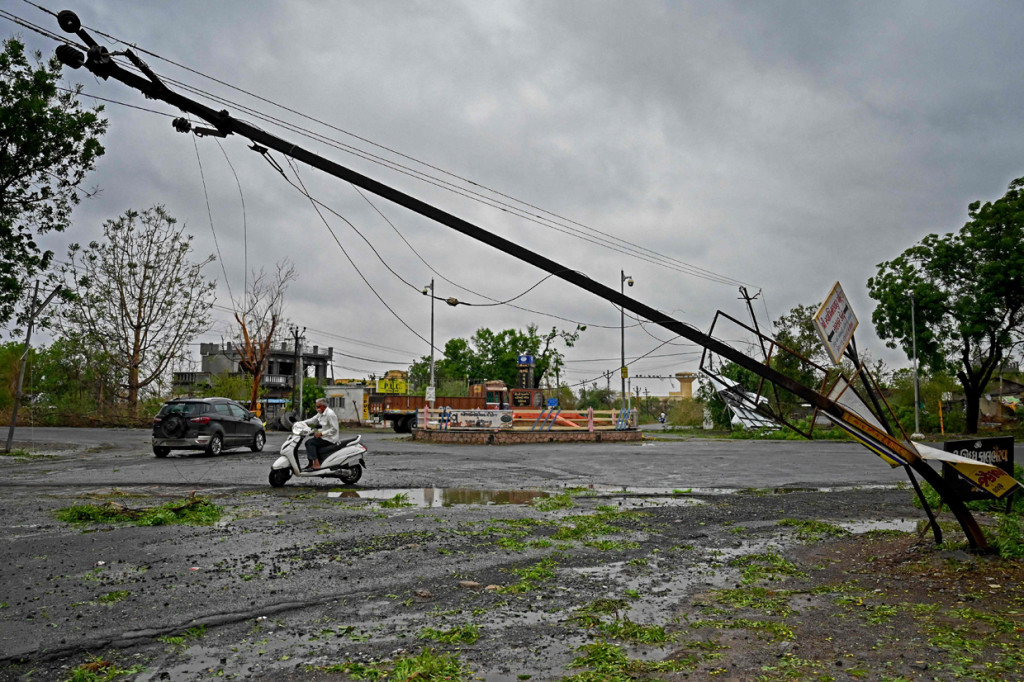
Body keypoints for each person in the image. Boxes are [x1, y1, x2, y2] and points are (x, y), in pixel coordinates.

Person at [301, 397, 341, 471]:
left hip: (330, 439)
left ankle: (316, 464)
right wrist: (301, 423)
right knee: (308, 442)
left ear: (324, 406)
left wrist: (321, 434)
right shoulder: (320, 413)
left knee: (310, 443)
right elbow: (313, 420)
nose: (317, 408)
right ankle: (310, 464)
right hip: (324, 437)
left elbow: (334, 429)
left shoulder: (330, 414)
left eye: (318, 406)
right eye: (316, 406)